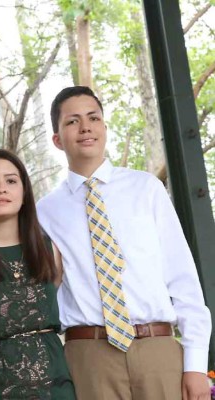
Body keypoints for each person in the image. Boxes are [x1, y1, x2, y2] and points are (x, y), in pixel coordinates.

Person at [37, 86, 212, 400]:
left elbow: (182, 277)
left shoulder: (146, 189)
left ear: (105, 127)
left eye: (93, 118)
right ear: (57, 139)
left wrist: (196, 364)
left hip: (157, 349)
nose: (86, 127)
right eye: (72, 121)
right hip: (88, 357)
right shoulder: (45, 211)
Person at [0, 149, 76, 400]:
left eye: (11, 180)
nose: (1, 189)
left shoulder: (52, 251)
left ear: (24, 192)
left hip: (56, 385)